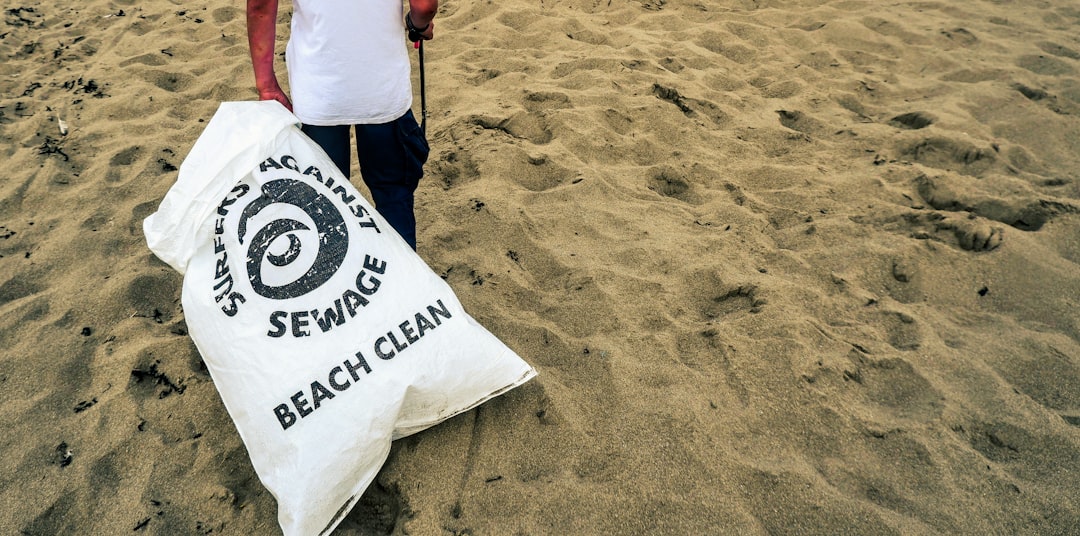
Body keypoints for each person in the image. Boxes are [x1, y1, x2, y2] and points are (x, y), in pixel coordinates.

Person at [246, 0, 437, 250]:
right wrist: (417, 25)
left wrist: (267, 84)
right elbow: (424, 6)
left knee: (325, 207)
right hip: (382, 91)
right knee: (393, 199)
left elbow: (260, 6)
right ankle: (405, 283)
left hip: (319, 93)